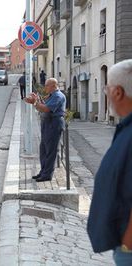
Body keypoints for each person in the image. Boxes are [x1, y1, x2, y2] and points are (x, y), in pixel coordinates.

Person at [87, 59, 132, 265]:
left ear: (118, 93)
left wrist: (127, 246)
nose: (106, 93)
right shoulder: (126, 127)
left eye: (107, 88)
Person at [24, 78, 66, 182]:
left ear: (53, 86)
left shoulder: (58, 96)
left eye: (47, 85)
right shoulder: (52, 95)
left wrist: (35, 102)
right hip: (47, 123)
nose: (45, 87)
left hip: (54, 123)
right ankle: (43, 172)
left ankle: (47, 174)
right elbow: (42, 106)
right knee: (43, 149)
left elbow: (47, 109)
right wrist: (35, 101)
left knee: (50, 150)